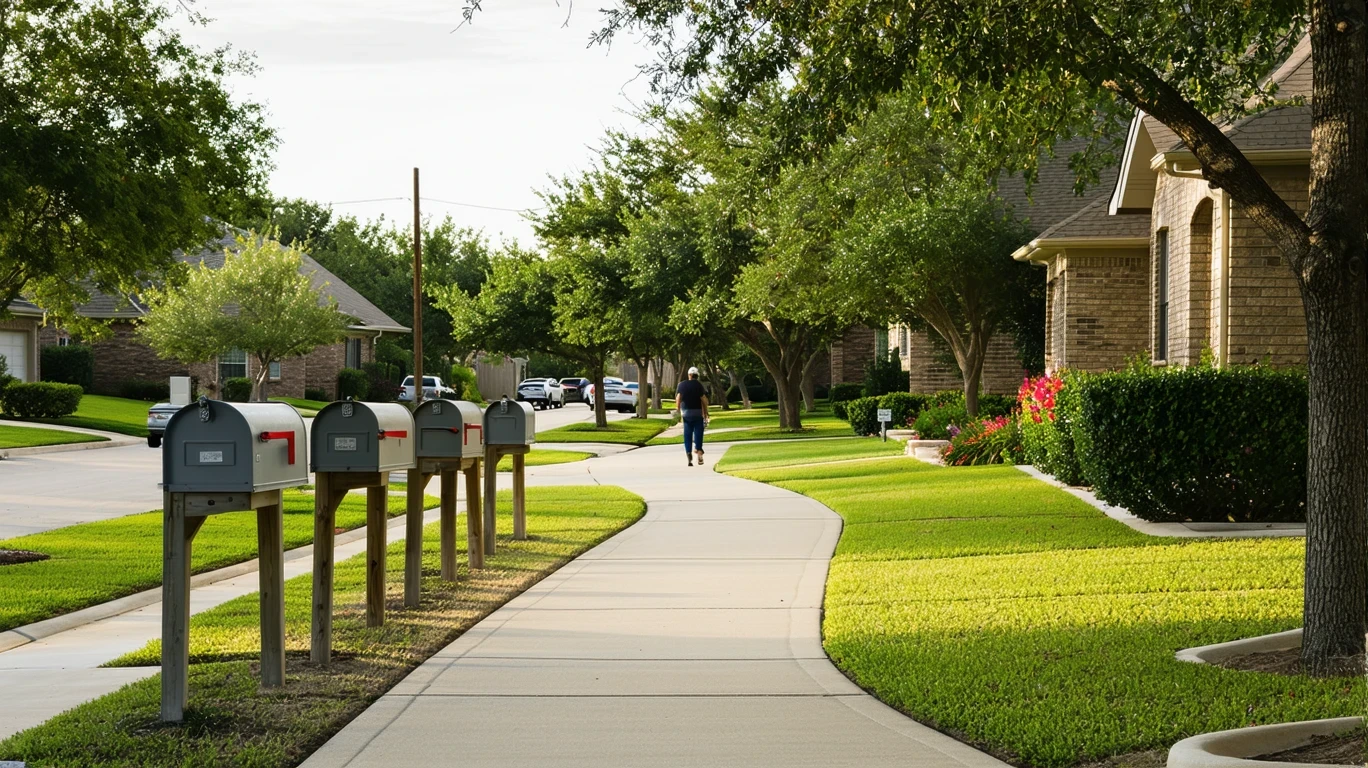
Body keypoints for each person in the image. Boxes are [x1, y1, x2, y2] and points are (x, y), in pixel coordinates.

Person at [676, 366, 709, 466]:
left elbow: (678, 398)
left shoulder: (682, 385)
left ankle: (688, 453)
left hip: (686, 413)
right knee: (699, 432)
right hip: (697, 413)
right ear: (697, 375)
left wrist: (678, 410)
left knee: (687, 434)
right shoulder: (699, 385)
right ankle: (698, 450)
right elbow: (703, 400)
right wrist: (706, 412)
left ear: (689, 375)